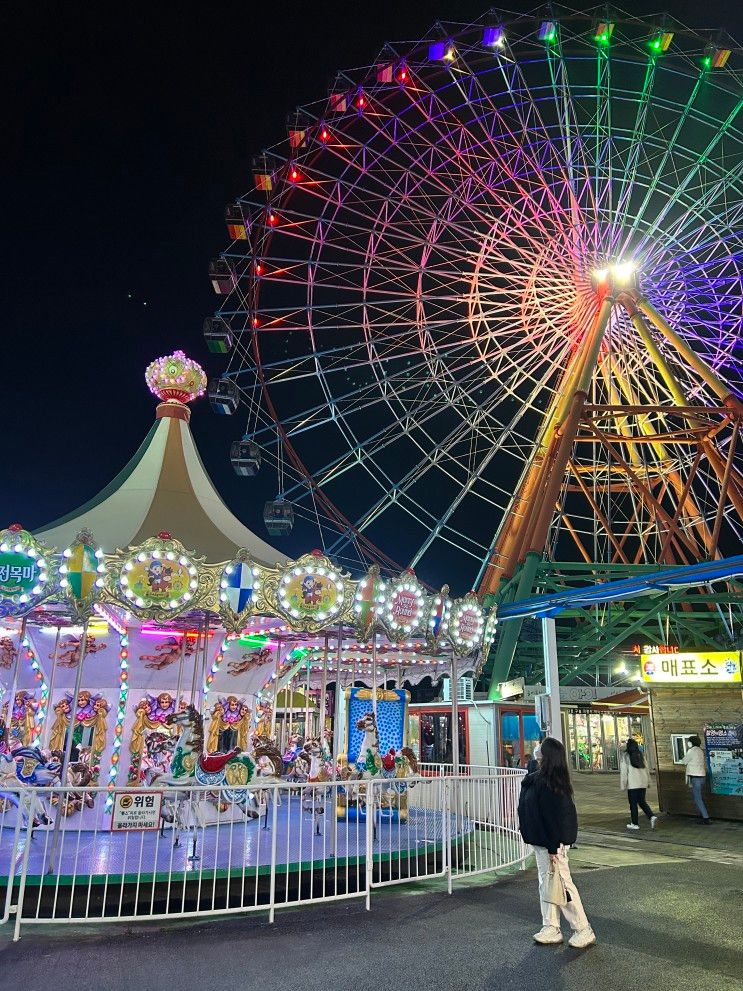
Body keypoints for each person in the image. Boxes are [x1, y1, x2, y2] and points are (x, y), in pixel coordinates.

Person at [518, 737, 596, 949]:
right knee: (547, 882)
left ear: (547, 755)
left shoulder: (553, 784)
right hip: (541, 842)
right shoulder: (541, 778)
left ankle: (583, 928)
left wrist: (554, 847)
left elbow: (555, 819)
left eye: (540, 748)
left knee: (562, 883)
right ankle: (551, 926)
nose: (536, 749)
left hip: (552, 844)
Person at [620, 738, 657, 831]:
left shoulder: (625, 756)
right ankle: (651, 816)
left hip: (633, 784)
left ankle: (635, 823)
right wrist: (649, 782)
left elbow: (624, 772)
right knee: (642, 802)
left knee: (633, 804)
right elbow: (647, 770)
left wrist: (623, 785)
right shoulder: (641, 755)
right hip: (642, 783)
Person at [681, 735, 711, 825]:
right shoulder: (700, 751)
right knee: (698, 797)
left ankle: (706, 818)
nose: (688, 743)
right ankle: (703, 816)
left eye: (689, 741)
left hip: (696, 777)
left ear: (691, 742)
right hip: (702, 776)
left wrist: (684, 756)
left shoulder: (691, 751)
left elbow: (684, 761)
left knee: (698, 798)